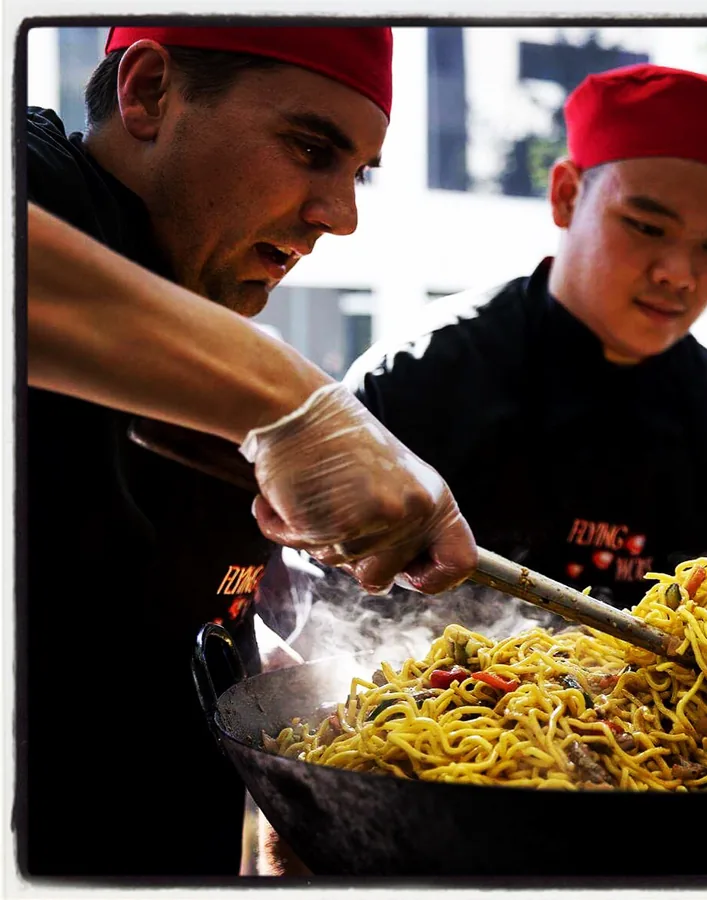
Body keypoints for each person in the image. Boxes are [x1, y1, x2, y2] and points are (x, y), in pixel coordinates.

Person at [20, 25, 476, 879]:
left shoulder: (204, 335)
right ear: (150, 91)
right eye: (310, 147)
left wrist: (303, 760)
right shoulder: (40, 180)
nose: (341, 216)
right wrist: (293, 404)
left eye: (359, 175)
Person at [344, 63, 707, 612]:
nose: (680, 273)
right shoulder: (415, 379)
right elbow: (342, 619)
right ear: (567, 195)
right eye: (647, 227)